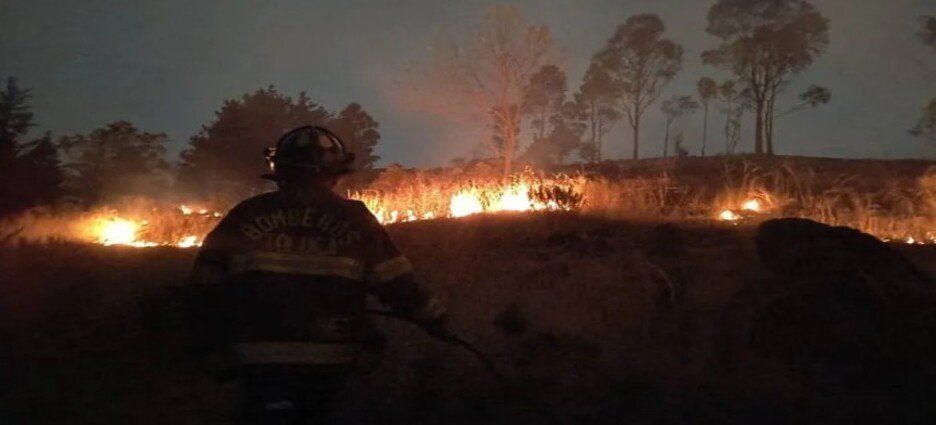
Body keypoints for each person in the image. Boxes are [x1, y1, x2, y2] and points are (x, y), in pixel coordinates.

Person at [187, 125, 448, 424]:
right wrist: (435, 318)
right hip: (331, 363)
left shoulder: (246, 215)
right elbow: (396, 283)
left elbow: (202, 288)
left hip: (257, 363)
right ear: (334, 174)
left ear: (279, 169)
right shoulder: (354, 218)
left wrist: (206, 348)